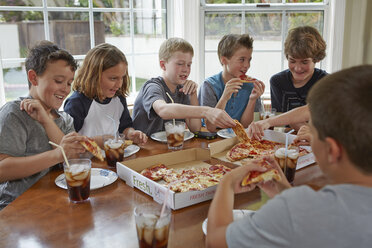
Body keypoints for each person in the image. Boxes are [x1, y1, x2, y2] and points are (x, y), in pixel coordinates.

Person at [206, 65, 372, 248]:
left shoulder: (295, 210)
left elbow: (216, 241)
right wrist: (284, 190)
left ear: (332, 151)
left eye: (312, 130)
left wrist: (226, 184)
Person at [0, 41, 87, 210]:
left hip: (55, 203)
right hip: (17, 209)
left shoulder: (65, 119)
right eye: (59, 80)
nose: (65, 89)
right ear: (33, 78)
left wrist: (46, 120)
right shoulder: (14, 113)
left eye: (69, 83)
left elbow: (74, 158)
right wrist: (55, 155)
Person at [132, 37, 235, 136]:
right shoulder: (152, 87)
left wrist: (193, 94)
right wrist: (207, 111)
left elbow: (195, 128)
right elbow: (163, 110)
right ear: (163, 65)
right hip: (147, 150)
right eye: (180, 64)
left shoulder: (182, 89)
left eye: (189, 65)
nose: (186, 69)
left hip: (171, 148)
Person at [64, 43, 147, 146]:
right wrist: (98, 141)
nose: (119, 84)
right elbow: (68, 142)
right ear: (94, 76)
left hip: (113, 157)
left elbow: (124, 127)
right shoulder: (77, 103)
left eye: (122, 77)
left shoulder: (119, 98)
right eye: (113, 78)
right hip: (87, 160)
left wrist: (131, 133)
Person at [198, 34, 265, 130]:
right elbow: (210, 127)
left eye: (249, 60)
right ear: (224, 60)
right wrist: (225, 97)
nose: (247, 65)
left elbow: (246, 126)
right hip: (213, 140)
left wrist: (252, 100)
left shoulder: (251, 86)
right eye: (241, 60)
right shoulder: (209, 86)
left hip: (239, 141)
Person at [270, 26, 327, 116]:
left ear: (317, 59)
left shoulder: (326, 82)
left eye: (304, 62)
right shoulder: (277, 82)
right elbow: (278, 119)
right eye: (292, 61)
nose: (298, 68)